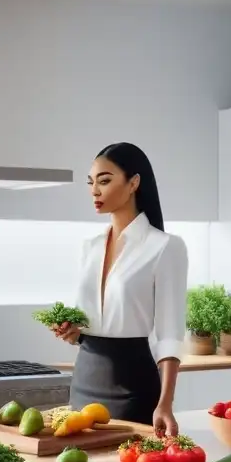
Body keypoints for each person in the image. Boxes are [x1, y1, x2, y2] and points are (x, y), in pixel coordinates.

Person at [51, 142, 188, 437]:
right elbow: (91, 323)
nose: (95, 191)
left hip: (133, 386)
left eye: (105, 180)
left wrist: (165, 404)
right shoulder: (89, 247)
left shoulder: (165, 247)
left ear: (133, 183)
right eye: (91, 183)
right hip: (84, 380)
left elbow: (169, 335)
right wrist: (72, 331)